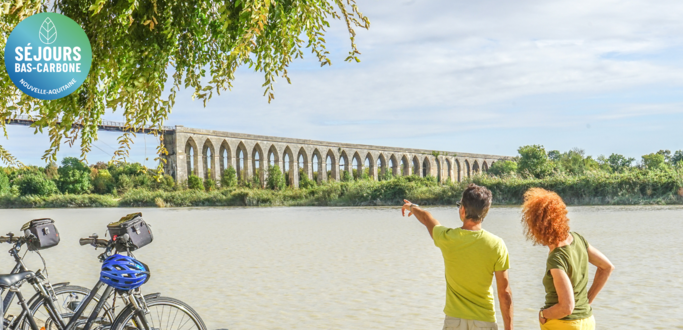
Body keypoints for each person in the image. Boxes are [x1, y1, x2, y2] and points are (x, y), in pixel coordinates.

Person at [402, 183, 513, 330]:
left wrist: (412, 207)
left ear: (462, 210)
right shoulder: (497, 245)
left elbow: (427, 219)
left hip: (454, 322)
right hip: (484, 321)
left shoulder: (447, 238)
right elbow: (504, 293)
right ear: (485, 212)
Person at [521, 188, 614, 330]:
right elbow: (607, 267)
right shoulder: (578, 239)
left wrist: (544, 314)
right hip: (587, 321)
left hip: (563, 324)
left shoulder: (556, 258)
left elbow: (566, 307)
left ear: (537, 225)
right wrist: (587, 302)